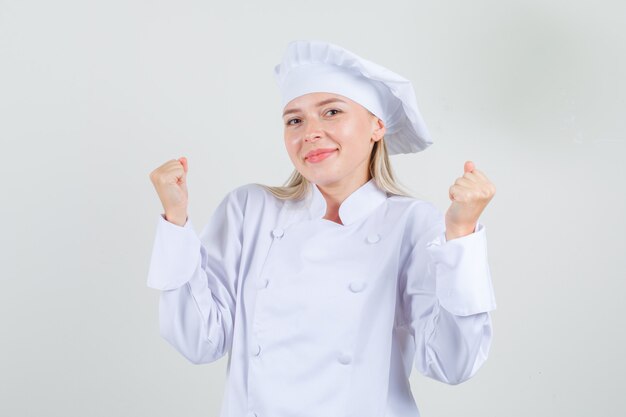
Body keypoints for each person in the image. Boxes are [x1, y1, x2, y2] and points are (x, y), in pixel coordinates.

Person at [147, 40, 497, 417]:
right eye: (294, 120)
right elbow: (199, 341)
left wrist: (460, 233)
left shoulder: (410, 222)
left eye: (331, 112)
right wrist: (176, 220)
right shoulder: (249, 210)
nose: (310, 132)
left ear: (377, 126)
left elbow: (452, 363)